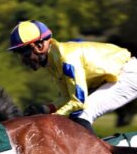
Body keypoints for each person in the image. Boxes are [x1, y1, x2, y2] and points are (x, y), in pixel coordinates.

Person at [8, 20, 137, 132]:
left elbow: (78, 102)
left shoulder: (66, 59)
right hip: (121, 75)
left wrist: (52, 118)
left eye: (24, 53)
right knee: (73, 116)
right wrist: (45, 109)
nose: (22, 60)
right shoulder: (53, 62)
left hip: (128, 75)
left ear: (39, 46)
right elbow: (68, 97)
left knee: (81, 114)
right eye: (18, 54)